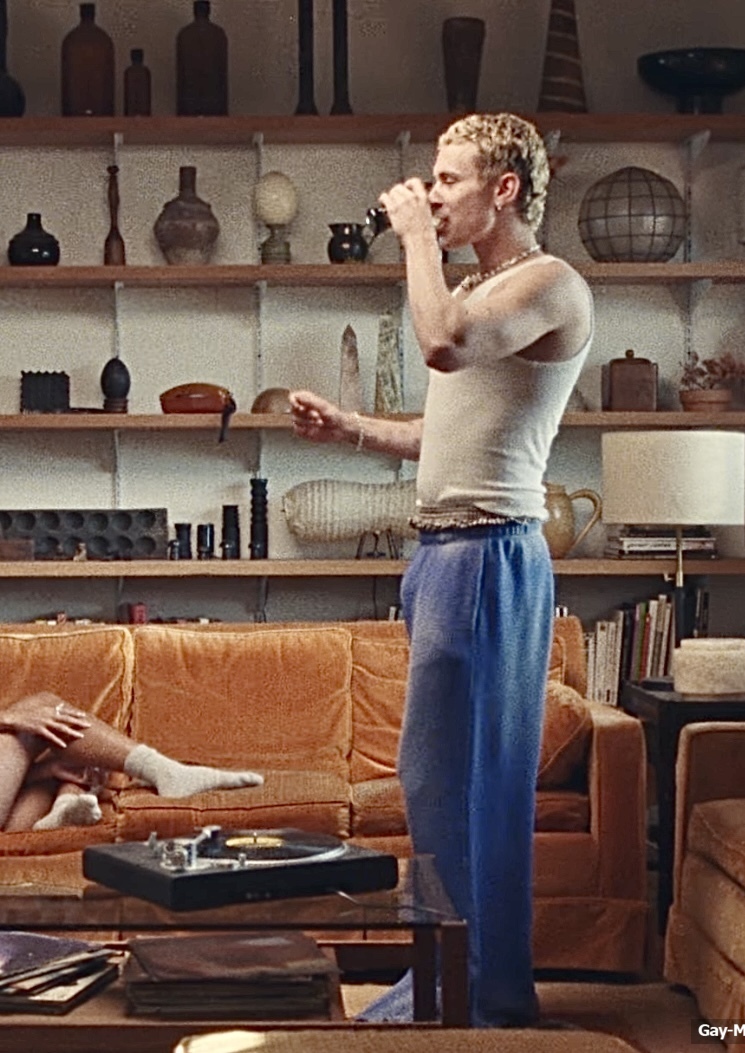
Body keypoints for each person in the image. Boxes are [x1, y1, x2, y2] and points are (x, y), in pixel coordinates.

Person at [289, 112, 594, 1027]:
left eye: (448, 179)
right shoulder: (480, 290)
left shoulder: (548, 283)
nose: (430, 194)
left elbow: (442, 343)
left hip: (488, 555)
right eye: (430, 180)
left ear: (505, 189)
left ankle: (474, 997)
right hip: (443, 556)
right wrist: (351, 429)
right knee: (441, 786)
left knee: (459, 785)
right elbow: (446, 429)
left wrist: (414, 237)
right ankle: (451, 985)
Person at [0, 691, 264, 833]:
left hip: (12, 820)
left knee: (74, 757)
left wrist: (47, 770)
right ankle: (167, 772)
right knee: (40, 711)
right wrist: (9, 718)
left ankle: (64, 809)